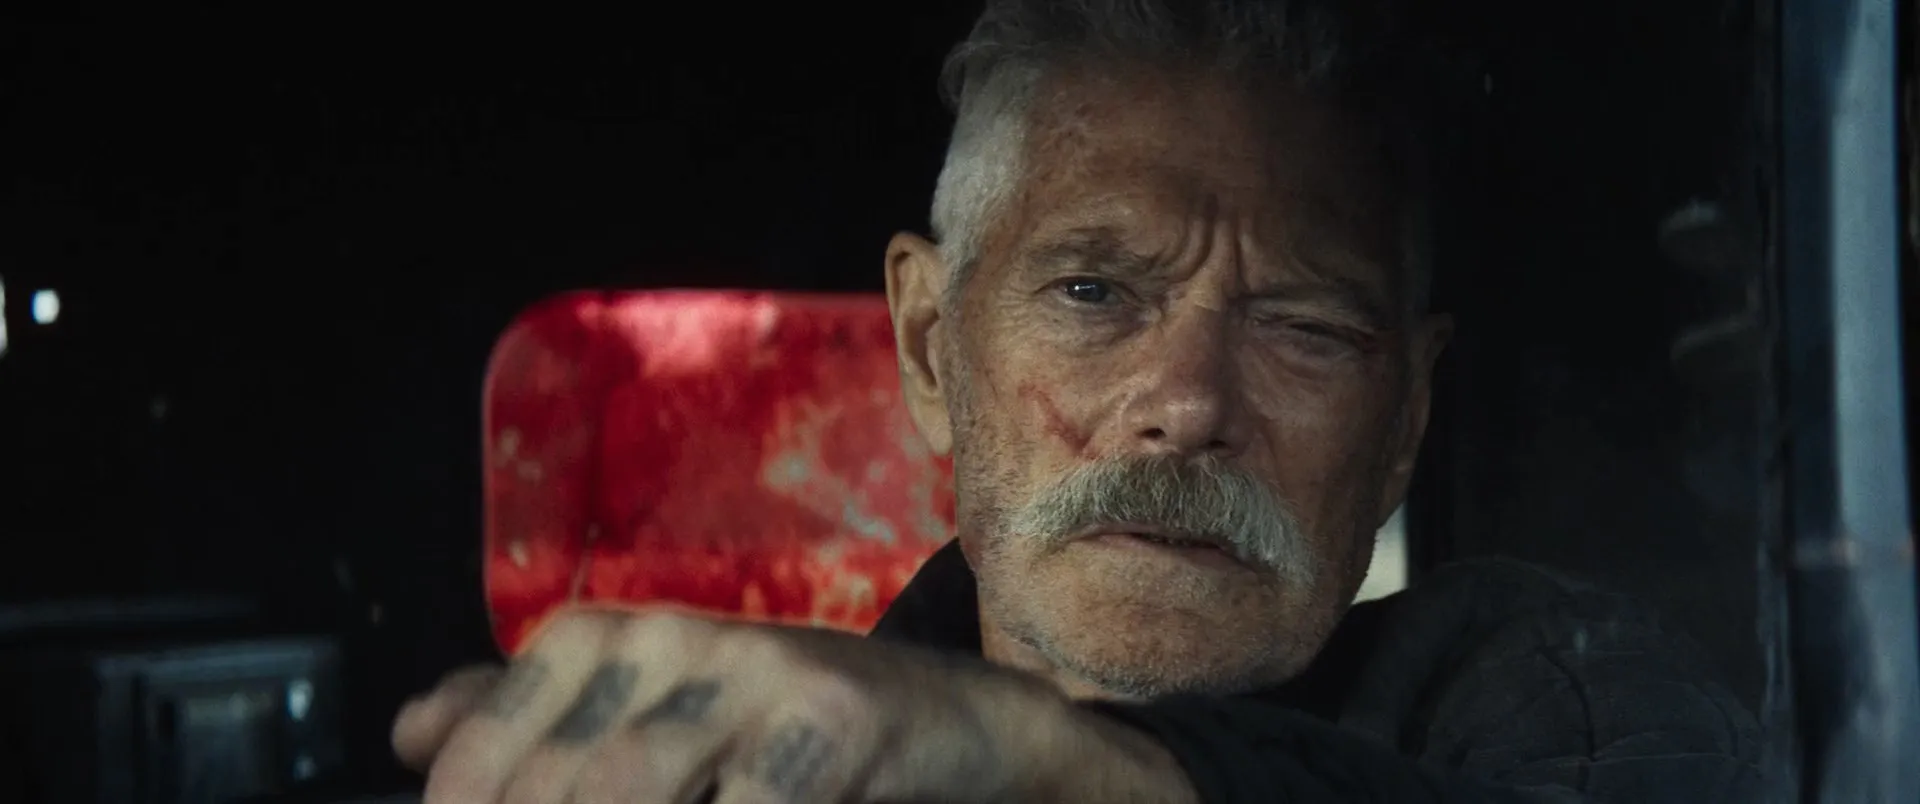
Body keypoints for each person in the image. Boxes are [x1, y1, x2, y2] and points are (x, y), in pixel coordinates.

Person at [391, 1, 1762, 801]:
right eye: (1095, 293)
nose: (1187, 405)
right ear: (932, 348)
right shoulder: (740, 763)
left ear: (1404, 424)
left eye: (1303, 327)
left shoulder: (1546, 691)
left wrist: (1038, 766)